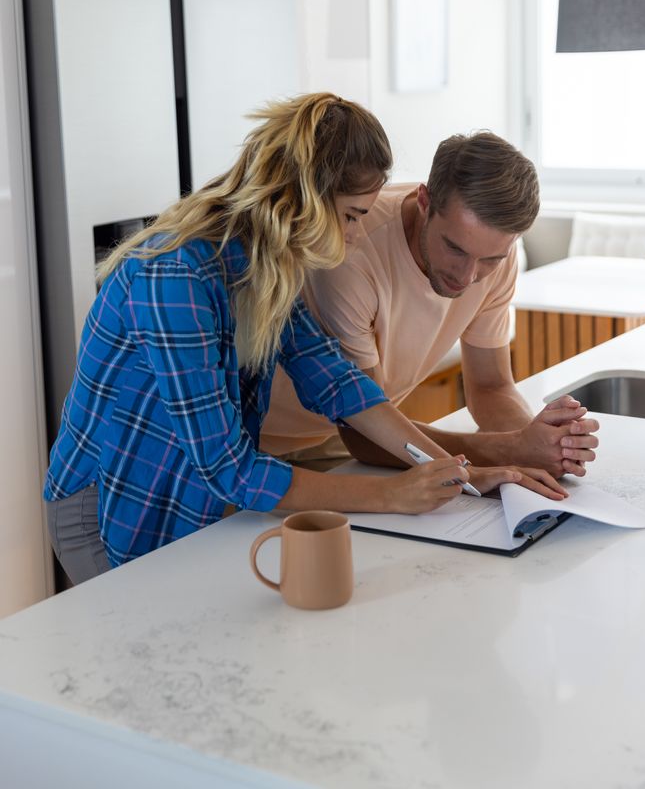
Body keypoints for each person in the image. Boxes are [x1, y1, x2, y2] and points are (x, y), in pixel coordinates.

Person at [44, 95, 566, 585]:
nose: (358, 235)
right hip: (111, 506)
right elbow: (232, 470)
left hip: (187, 495)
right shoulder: (176, 276)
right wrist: (395, 495)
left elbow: (339, 385)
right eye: (351, 217)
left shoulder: (263, 265)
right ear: (303, 199)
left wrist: (462, 475)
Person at [260, 130, 600, 475]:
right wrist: (510, 449)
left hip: (342, 437)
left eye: (491, 259)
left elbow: (490, 387)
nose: (468, 277)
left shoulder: (497, 256)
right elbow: (365, 428)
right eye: (455, 248)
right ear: (424, 201)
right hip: (261, 443)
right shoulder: (353, 253)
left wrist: (536, 441)